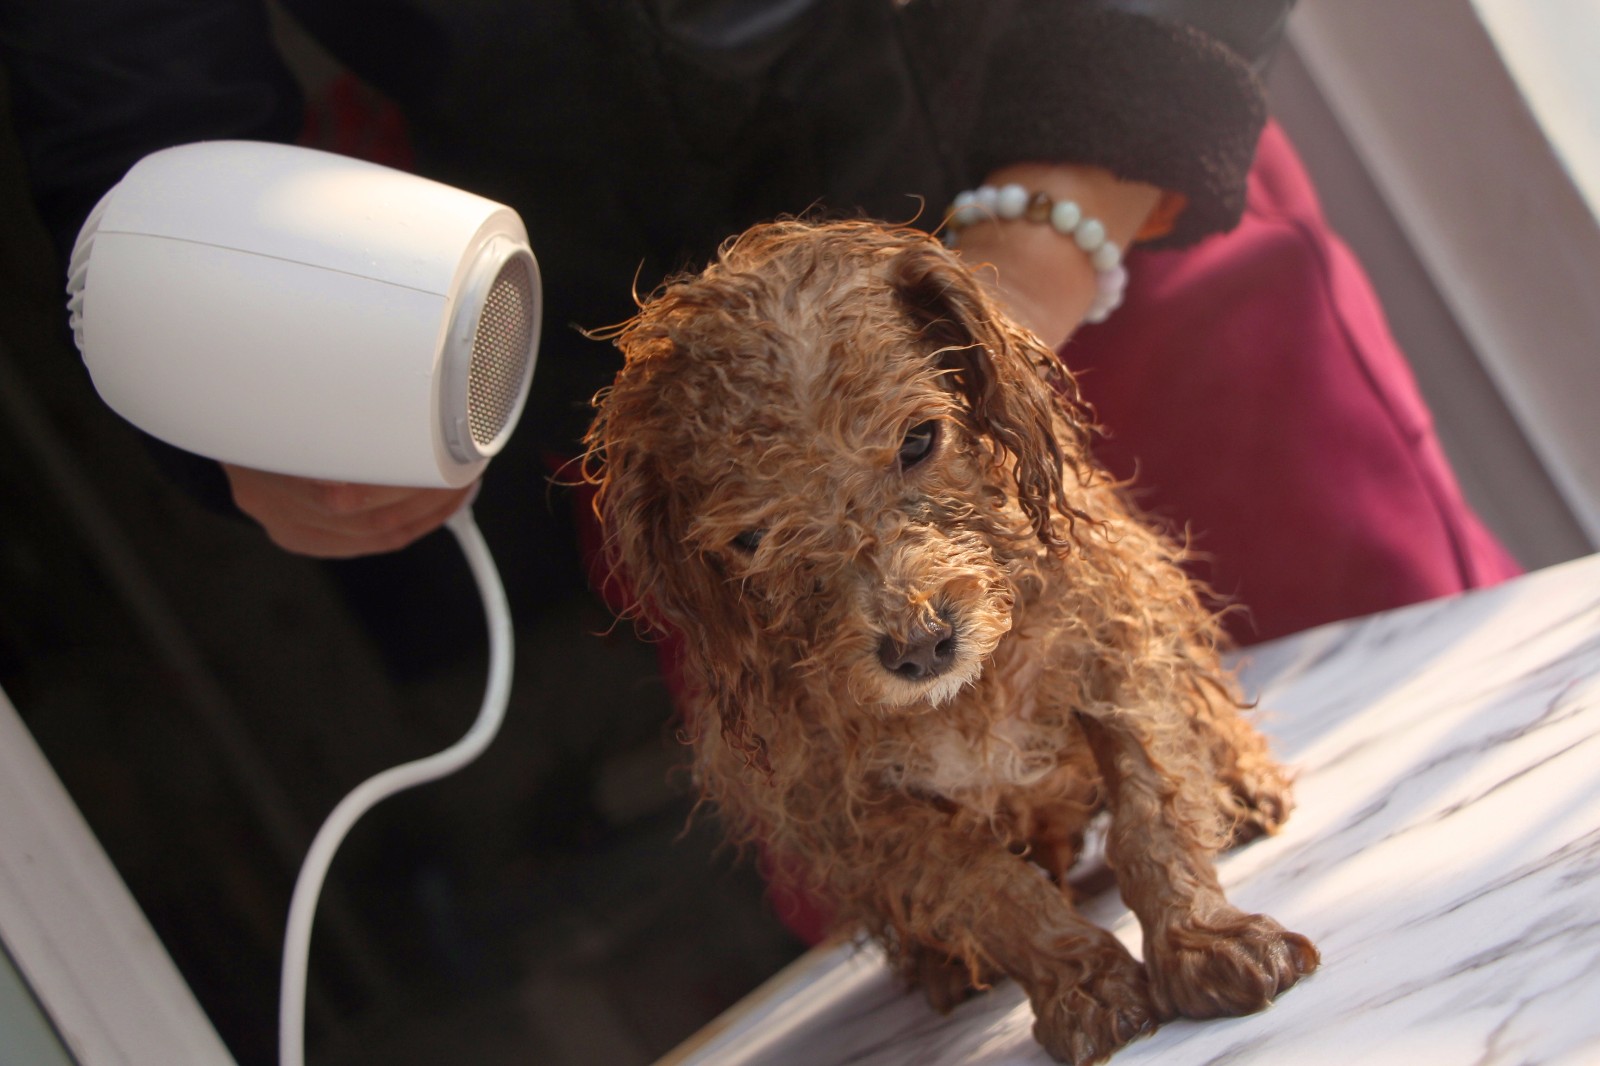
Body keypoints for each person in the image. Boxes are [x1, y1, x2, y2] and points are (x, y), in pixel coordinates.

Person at [2, 0, 1516, 640]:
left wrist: (1049, 236)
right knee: (970, 938)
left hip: (1101, 210)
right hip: (683, 390)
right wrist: (251, 403)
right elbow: (133, 116)